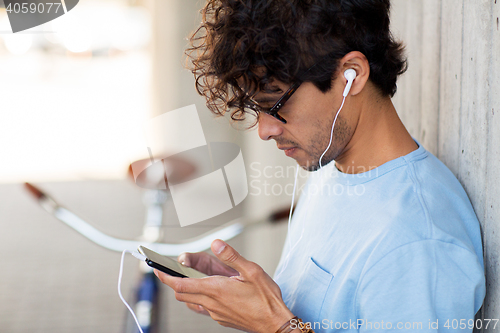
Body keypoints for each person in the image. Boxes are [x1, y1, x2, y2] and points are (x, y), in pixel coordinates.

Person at [154, 0, 486, 332]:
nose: (265, 130)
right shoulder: (334, 168)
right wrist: (256, 302)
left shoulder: (417, 245)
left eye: (276, 105)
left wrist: (277, 326)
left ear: (351, 76)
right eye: (258, 109)